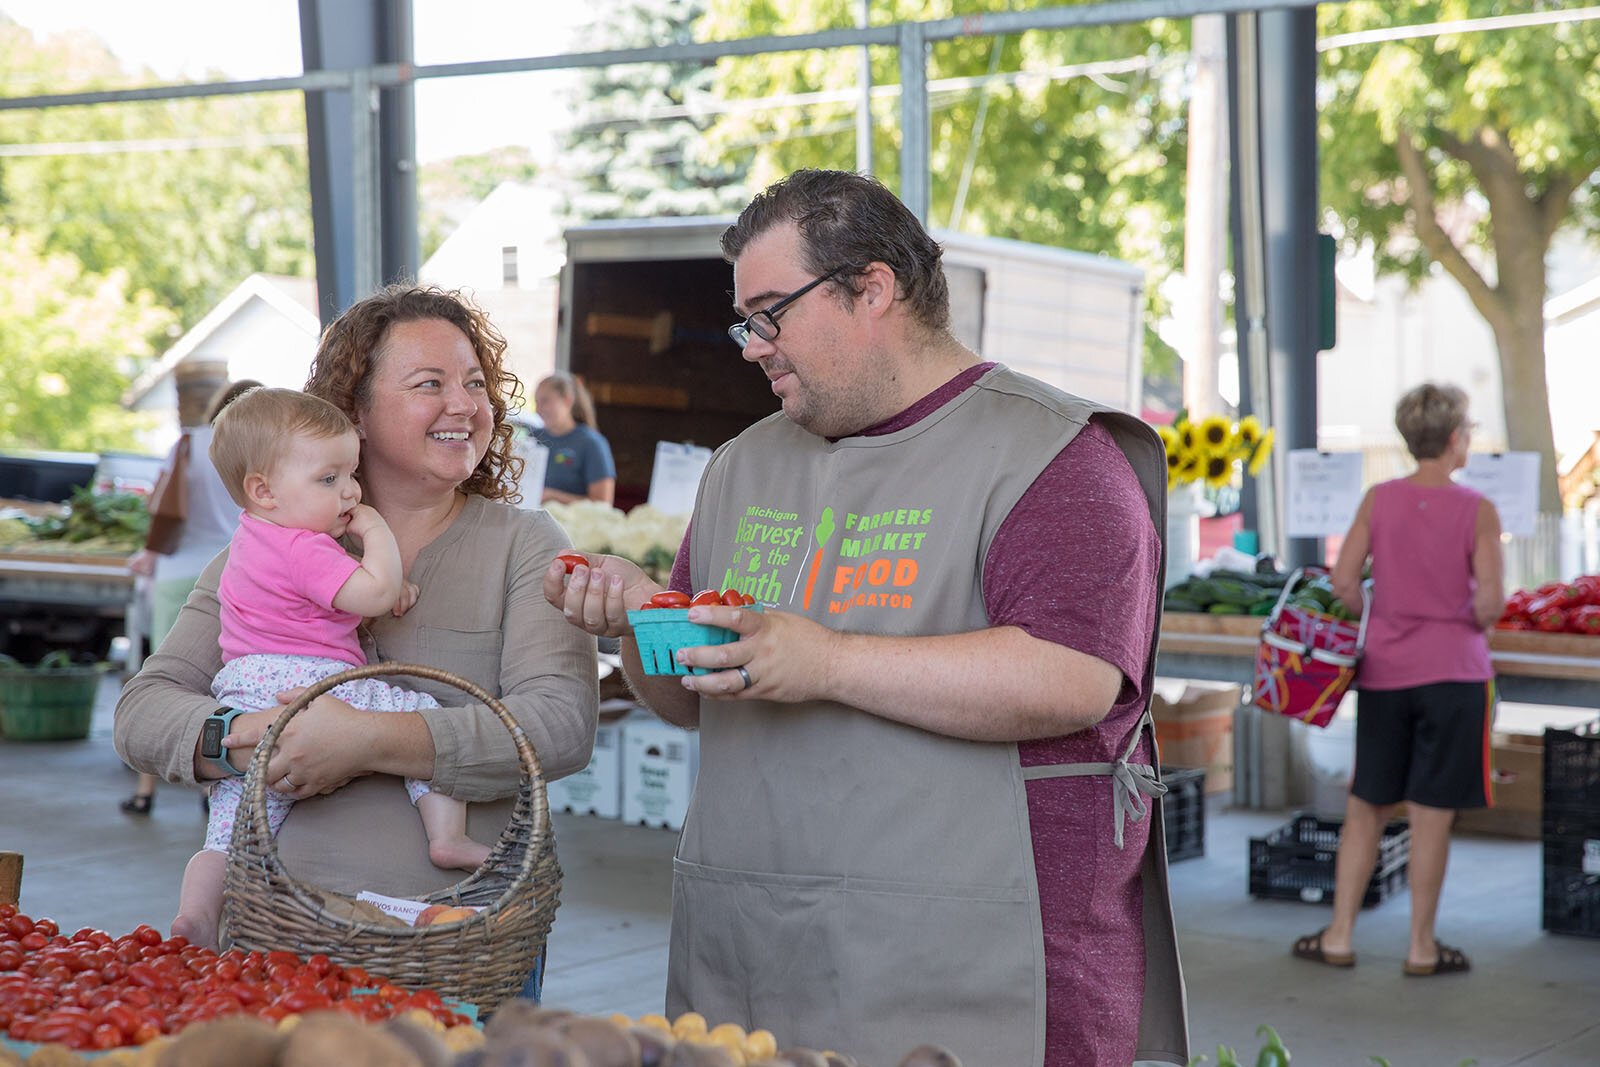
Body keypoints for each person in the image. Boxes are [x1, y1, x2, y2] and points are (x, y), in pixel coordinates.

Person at [546, 170, 1187, 1066]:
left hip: (974, 975)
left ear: (872, 288)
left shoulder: (1054, 456)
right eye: (744, 320)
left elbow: (1073, 678)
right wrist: (635, 613)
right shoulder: (742, 466)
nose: (749, 345)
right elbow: (690, 697)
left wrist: (827, 661)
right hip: (753, 958)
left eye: (770, 312)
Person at [115, 286, 598, 994]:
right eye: (429, 384)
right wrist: (256, 735)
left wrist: (368, 739)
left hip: (454, 949)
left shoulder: (525, 544)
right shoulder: (265, 548)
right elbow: (142, 712)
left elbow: (560, 725)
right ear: (357, 411)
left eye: (475, 383)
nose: (464, 404)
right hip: (272, 946)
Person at [166, 387, 492, 950]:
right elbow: (371, 591)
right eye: (329, 480)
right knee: (425, 716)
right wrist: (376, 536)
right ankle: (449, 836)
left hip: (246, 691)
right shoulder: (303, 548)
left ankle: (195, 916)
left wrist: (384, 587)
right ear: (263, 490)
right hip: (308, 685)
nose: (350, 492)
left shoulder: (252, 540)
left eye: (351, 475)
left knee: (227, 831)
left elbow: (325, 598)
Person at [1293, 383, 1503, 978]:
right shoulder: (1478, 510)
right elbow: (1489, 604)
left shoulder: (1378, 500)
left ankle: (1338, 936)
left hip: (1386, 675)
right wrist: (1454, 612)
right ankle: (1420, 948)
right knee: (1431, 813)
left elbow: (1340, 581)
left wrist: (1380, 615)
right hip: (1456, 676)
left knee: (1367, 807)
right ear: (1457, 437)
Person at [121, 378, 262, 816]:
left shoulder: (187, 444)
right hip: (235, 568)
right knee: (224, 677)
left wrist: (147, 551)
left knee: (169, 677)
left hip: (177, 570)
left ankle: (145, 792)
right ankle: (210, 787)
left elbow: (160, 507)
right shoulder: (265, 447)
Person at [532, 372, 616, 505]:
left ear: (567, 400)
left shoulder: (592, 443)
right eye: (536, 402)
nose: (538, 409)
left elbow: (603, 503)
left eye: (545, 401)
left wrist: (552, 496)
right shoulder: (533, 438)